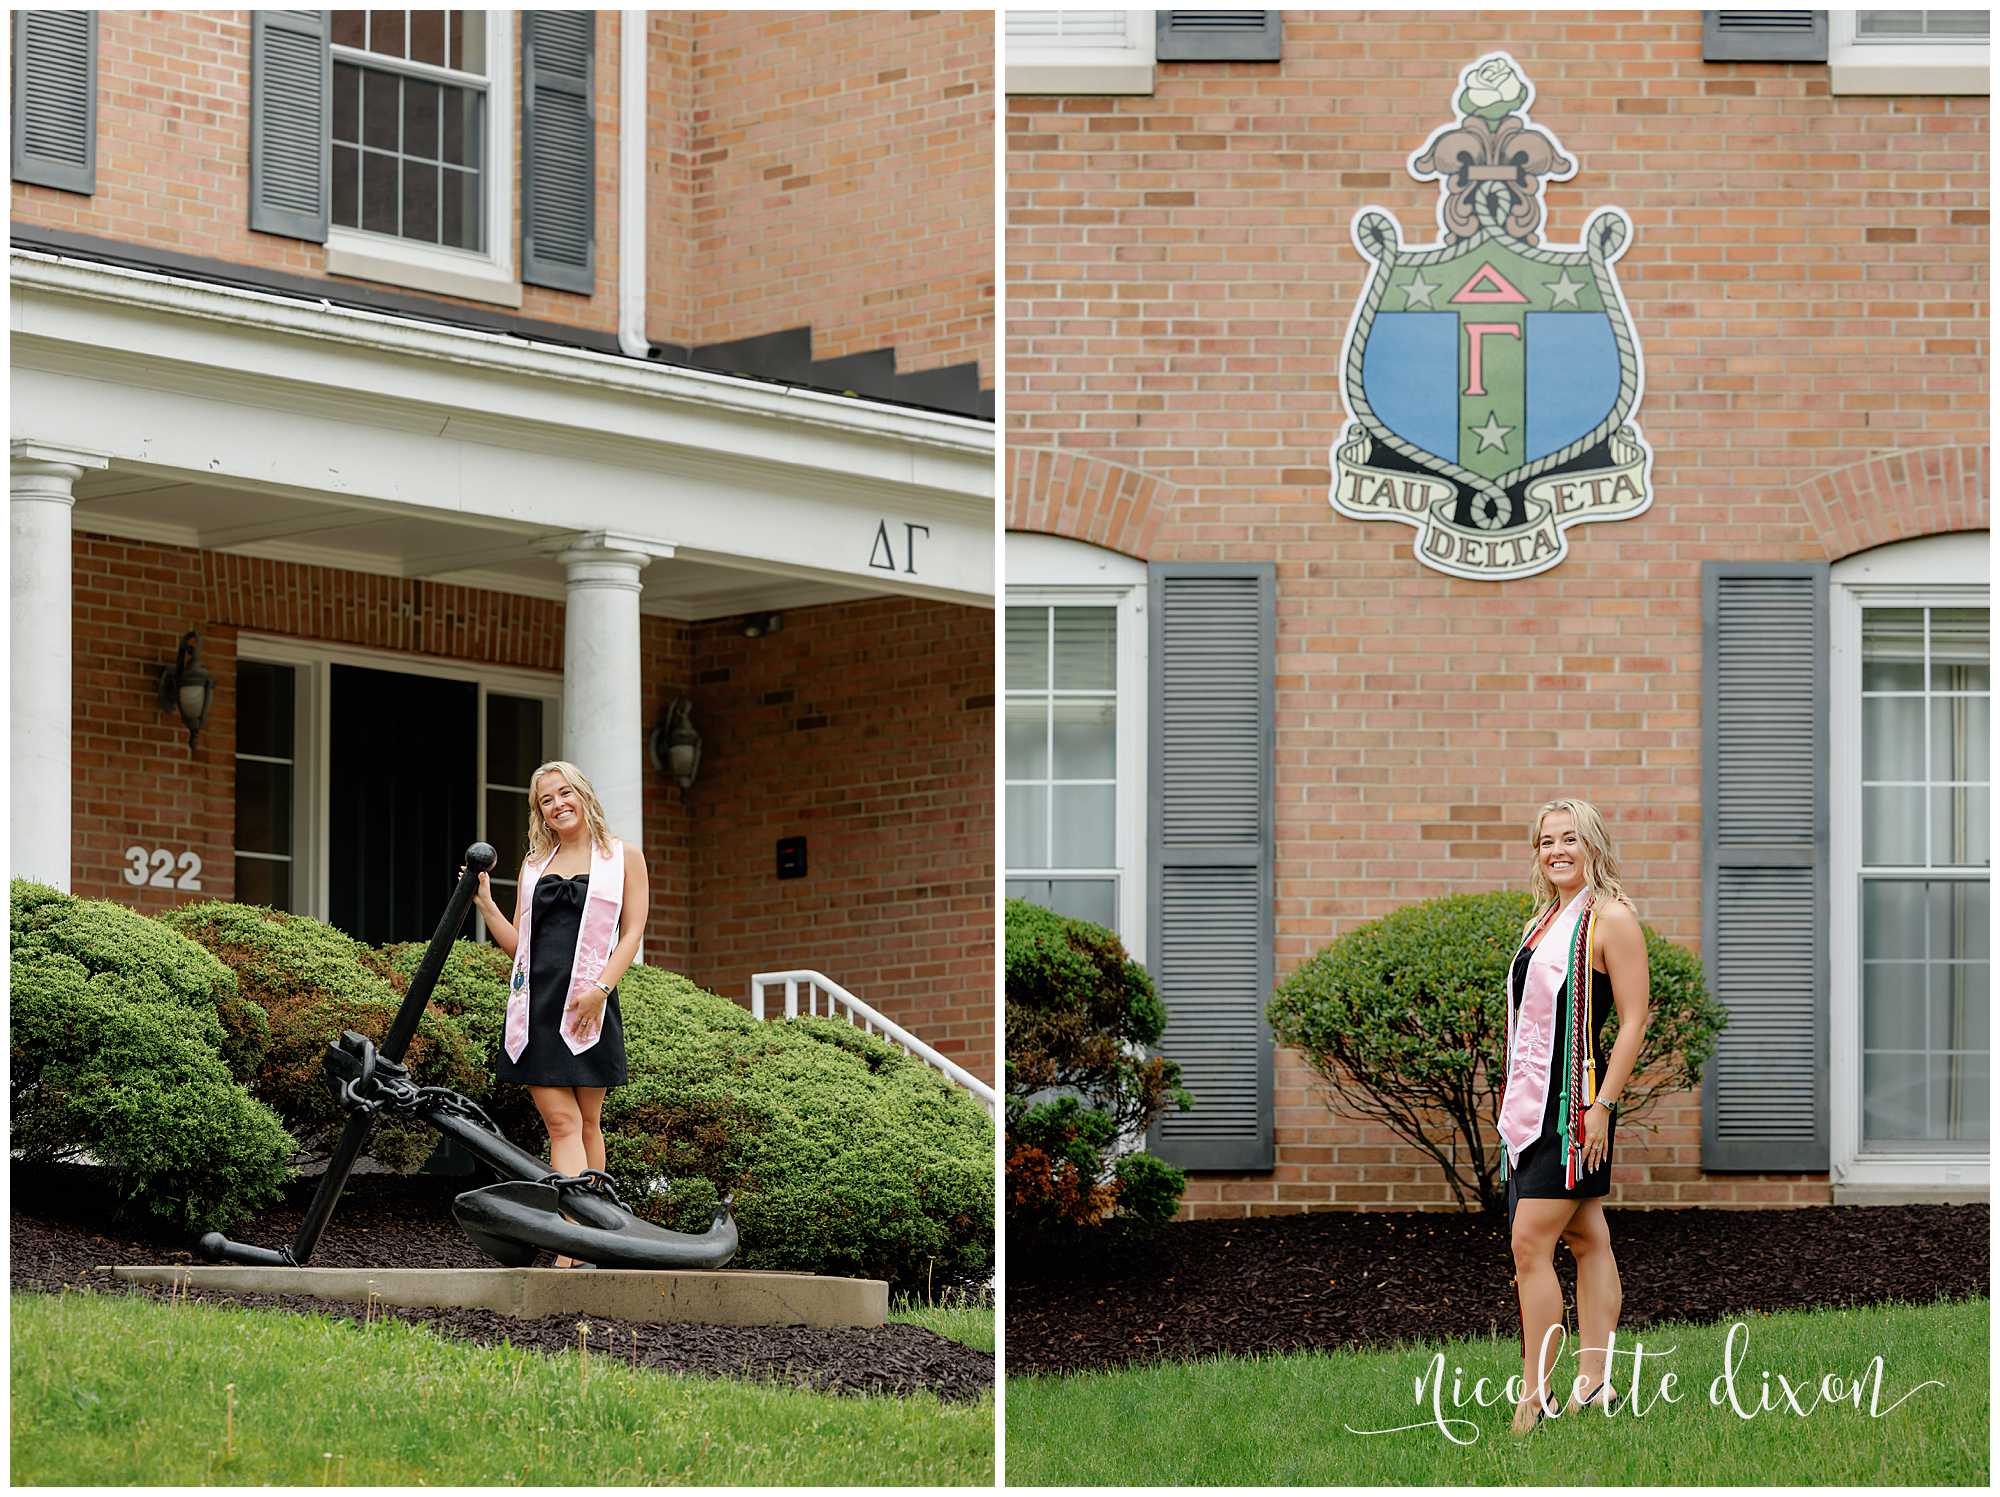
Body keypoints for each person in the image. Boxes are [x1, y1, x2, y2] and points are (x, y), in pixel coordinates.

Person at [1499, 798, 1650, 1435]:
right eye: (1545, 841)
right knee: (1588, 1240)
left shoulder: (1610, 918)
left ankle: (1534, 1398)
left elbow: (1636, 1019)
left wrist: (1603, 1107)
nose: (1557, 850)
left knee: (1530, 1243)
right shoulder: (1546, 921)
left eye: (1570, 839)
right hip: (1531, 1113)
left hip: (1573, 1113)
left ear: (1593, 845)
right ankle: (1596, 1385)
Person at [470, 759, 647, 1267]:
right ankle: (572, 1245)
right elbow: (518, 947)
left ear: (583, 796)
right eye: (546, 800)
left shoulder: (622, 858)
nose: (557, 804)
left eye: (564, 793)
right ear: (540, 812)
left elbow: (632, 932)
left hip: (590, 1004)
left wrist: (600, 990)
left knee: (590, 1122)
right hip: (537, 1007)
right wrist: (486, 906)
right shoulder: (533, 866)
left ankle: (597, 1234)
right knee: (562, 1123)